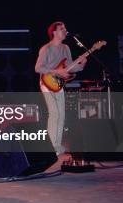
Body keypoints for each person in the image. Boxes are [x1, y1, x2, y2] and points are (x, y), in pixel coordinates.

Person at [35, 21, 86, 155]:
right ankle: (51, 147)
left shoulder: (66, 48)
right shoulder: (46, 48)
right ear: (54, 32)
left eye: (65, 28)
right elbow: (38, 68)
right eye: (62, 29)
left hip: (58, 84)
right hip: (46, 83)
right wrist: (57, 72)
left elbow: (69, 66)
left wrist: (81, 64)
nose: (65, 31)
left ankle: (57, 145)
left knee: (61, 114)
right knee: (54, 113)